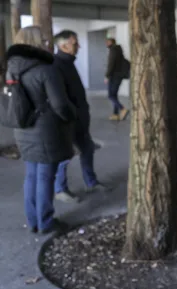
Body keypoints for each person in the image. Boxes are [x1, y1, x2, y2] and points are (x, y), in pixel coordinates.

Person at [6, 26, 76, 234]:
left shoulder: (12, 67)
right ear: (36, 42)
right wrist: (72, 116)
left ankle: (33, 221)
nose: (48, 43)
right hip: (45, 131)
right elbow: (60, 105)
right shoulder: (46, 69)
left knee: (31, 175)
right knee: (45, 176)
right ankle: (46, 222)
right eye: (44, 40)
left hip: (22, 128)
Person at [53, 30, 107, 203]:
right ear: (63, 46)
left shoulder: (68, 62)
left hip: (80, 118)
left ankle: (91, 182)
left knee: (87, 149)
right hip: (68, 120)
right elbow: (59, 97)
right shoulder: (57, 65)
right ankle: (60, 189)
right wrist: (68, 117)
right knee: (64, 157)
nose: (79, 46)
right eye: (75, 43)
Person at [104, 38, 128, 121]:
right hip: (119, 75)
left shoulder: (113, 50)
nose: (106, 43)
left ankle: (122, 108)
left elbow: (111, 64)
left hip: (114, 76)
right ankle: (115, 114)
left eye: (107, 42)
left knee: (110, 95)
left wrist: (107, 75)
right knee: (114, 95)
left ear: (111, 42)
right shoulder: (118, 50)